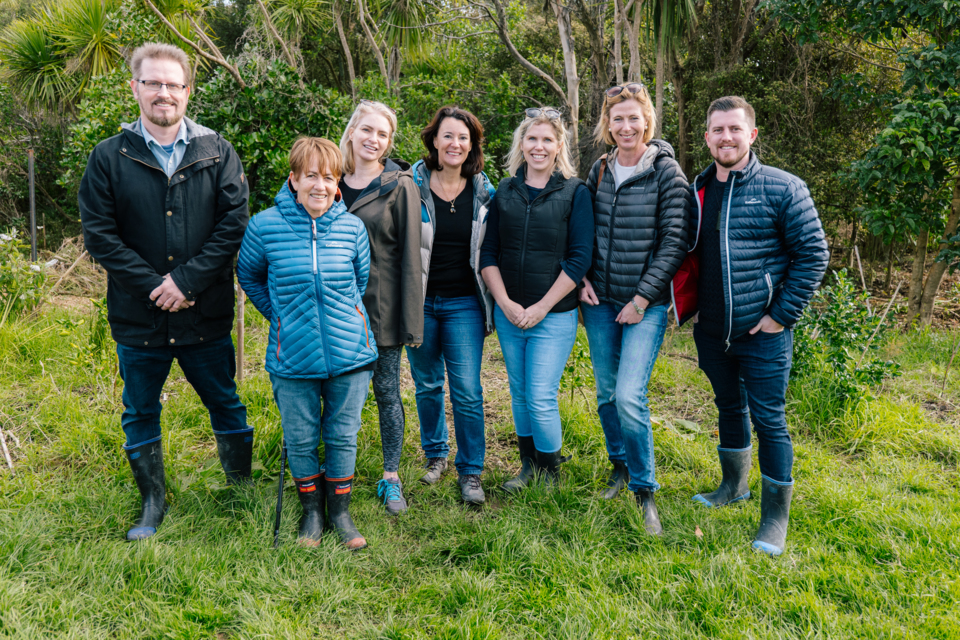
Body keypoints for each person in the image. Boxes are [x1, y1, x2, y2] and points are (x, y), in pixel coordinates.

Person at [79, 43, 251, 542]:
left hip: (205, 311)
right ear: (134, 87)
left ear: (188, 91)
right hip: (140, 315)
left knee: (226, 401)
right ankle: (153, 500)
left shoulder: (217, 151)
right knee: (140, 409)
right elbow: (100, 236)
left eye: (173, 84)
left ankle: (239, 489)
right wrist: (157, 286)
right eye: (153, 82)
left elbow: (232, 224)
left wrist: (186, 281)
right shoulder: (109, 157)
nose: (163, 93)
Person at [684, 96, 828, 555]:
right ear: (706, 137)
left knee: (770, 420)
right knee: (728, 408)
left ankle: (774, 518)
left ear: (752, 135)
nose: (726, 137)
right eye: (718, 130)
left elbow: (814, 255)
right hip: (712, 331)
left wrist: (779, 316)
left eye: (735, 129)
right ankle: (733, 487)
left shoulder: (783, 188)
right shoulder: (698, 189)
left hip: (762, 333)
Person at [236, 137, 377, 550]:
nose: (320, 185)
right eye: (311, 175)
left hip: (351, 354)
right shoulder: (264, 226)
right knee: (299, 438)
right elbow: (250, 277)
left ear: (338, 186)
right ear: (294, 179)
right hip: (292, 357)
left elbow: (359, 282)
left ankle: (341, 512)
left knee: (342, 435)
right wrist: (282, 315)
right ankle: (311, 512)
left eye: (328, 177)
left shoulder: (352, 228)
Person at [580, 83, 690, 535]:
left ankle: (645, 491)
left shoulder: (667, 172)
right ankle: (619, 465)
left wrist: (643, 297)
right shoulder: (600, 169)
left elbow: (675, 241)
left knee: (629, 394)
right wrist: (583, 276)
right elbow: (582, 229)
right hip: (600, 302)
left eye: (633, 118)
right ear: (607, 126)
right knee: (607, 393)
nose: (626, 126)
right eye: (617, 119)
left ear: (648, 121)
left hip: (644, 305)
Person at [480, 108, 594, 491]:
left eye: (547, 140)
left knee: (541, 394)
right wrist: (505, 304)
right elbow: (488, 254)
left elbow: (580, 258)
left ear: (558, 146)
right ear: (521, 145)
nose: (539, 146)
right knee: (519, 392)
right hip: (511, 314)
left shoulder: (575, 192)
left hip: (554, 315)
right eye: (532, 139)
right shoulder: (506, 191)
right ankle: (528, 467)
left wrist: (542, 306)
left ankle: (550, 474)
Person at [407, 106, 496, 505]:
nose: (454, 143)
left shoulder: (483, 190)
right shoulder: (411, 183)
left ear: (472, 144)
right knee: (427, 385)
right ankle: (436, 455)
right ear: (434, 140)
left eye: (462, 137)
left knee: (467, 389)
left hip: (465, 303)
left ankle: (471, 470)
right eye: (447, 136)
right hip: (419, 302)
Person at [338, 100, 423, 516]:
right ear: (352, 130)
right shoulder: (328, 177)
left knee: (387, 393)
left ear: (390, 142)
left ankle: (391, 477)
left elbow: (411, 257)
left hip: (381, 309)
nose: (373, 140)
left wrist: (411, 319)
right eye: (367, 130)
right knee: (337, 397)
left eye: (383, 134)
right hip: (335, 310)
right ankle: (335, 475)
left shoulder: (399, 184)